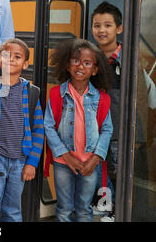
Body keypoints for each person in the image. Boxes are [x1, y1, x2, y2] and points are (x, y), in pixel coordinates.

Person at [0, 38, 44, 222]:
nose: (11, 59)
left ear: (26, 63)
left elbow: (38, 130)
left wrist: (32, 163)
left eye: (17, 56)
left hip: (20, 162)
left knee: (13, 212)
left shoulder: (31, 92)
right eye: (6, 55)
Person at [44, 38, 113, 222]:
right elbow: (48, 126)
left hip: (90, 163)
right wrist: (66, 155)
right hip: (63, 163)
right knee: (64, 209)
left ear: (95, 69)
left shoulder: (102, 99)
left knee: (84, 209)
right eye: (75, 60)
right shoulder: (57, 94)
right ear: (67, 65)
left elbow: (107, 129)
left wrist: (96, 158)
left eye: (87, 63)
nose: (80, 66)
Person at [90, 1, 123, 222]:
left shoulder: (130, 58)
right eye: (97, 25)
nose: (101, 30)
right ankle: (105, 213)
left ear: (119, 28)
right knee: (99, 178)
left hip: (120, 131)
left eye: (108, 25)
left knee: (118, 175)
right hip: (93, 131)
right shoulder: (89, 60)